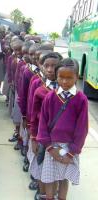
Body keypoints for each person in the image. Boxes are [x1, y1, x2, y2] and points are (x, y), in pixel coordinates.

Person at [37, 58, 88, 200]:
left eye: (69, 78)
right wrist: (49, 147)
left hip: (69, 147)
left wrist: (72, 152)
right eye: (61, 77)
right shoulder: (50, 97)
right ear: (56, 76)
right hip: (51, 145)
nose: (64, 82)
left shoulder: (81, 99)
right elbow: (43, 123)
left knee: (64, 179)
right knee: (49, 178)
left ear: (76, 77)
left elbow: (82, 129)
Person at [28, 52, 62, 200]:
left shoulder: (66, 90)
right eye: (46, 66)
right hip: (43, 137)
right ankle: (42, 193)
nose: (49, 69)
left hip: (60, 138)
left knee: (57, 167)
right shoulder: (40, 89)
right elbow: (34, 116)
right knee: (42, 164)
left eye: (54, 66)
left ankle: (53, 193)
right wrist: (33, 137)